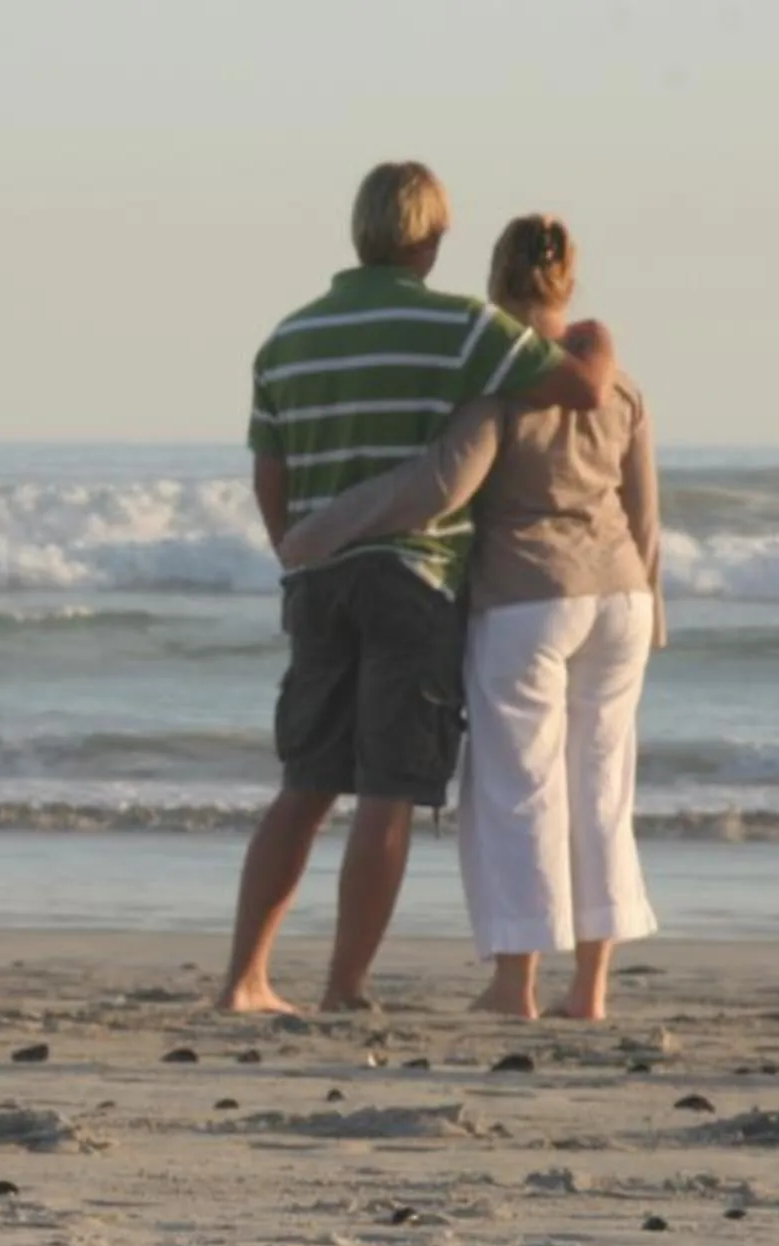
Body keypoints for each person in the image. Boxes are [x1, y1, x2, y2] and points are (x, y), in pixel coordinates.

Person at [217, 163, 615, 1015]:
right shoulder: (462, 329)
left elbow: (270, 480)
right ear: (431, 239)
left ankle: (244, 979)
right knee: (390, 787)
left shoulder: (288, 338)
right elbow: (582, 392)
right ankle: (344, 985)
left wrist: (298, 551)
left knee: (306, 782)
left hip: (319, 578)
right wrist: (595, 333)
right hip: (417, 575)